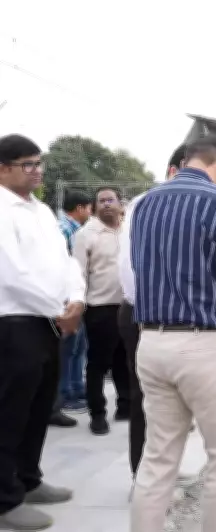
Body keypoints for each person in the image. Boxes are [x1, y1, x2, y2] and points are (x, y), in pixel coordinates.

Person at [129, 136, 216, 532]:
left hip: (152, 341)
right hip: (206, 343)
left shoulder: (144, 205)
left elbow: (140, 268)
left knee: (157, 459)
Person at [0, 134, 84, 530]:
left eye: (39, 163)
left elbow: (66, 261)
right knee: (10, 413)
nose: (37, 171)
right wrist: (59, 310)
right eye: (27, 164)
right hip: (14, 323)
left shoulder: (43, 211)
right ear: (3, 168)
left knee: (38, 409)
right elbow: (11, 273)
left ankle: (28, 479)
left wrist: (76, 299)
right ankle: (4, 498)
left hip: (49, 321)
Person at [117, 144, 187, 484]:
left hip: (172, 317)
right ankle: (142, 475)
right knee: (146, 399)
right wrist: (150, 312)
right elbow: (129, 267)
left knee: (173, 401)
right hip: (145, 314)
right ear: (174, 171)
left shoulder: (186, 206)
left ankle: (164, 470)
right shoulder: (146, 204)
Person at [72, 187, 131, 435]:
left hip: (128, 305)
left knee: (124, 360)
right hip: (99, 307)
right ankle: (97, 414)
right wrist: (77, 305)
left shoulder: (129, 231)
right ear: (95, 207)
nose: (106, 204)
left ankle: (125, 406)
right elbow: (78, 273)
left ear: (120, 204)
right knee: (98, 363)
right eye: (101, 201)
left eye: (111, 200)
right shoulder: (86, 235)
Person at [49, 191, 93, 428]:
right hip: (66, 300)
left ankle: (76, 389)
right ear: (80, 208)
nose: (90, 212)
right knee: (68, 350)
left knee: (78, 348)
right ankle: (66, 393)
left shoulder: (72, 228)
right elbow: (63, 266)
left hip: (75, 297)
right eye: (89, 207)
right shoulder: (63, 230)